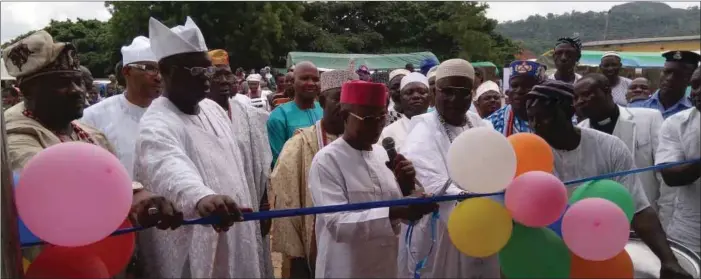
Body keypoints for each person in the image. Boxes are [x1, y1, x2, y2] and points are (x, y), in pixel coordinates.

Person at [2, 30, 182, 262]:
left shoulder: (87, 132)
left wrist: (141, 198)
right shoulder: (14, 134)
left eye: (77, 81)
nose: (77, 91)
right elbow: (54, 185)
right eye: (62, 83)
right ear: (26, 92)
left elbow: (116, 181)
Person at [134, 17, 261, 278]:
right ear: (165, 72)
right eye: (194, 70)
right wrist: (201, 197)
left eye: (208, 69)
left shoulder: (213, 109)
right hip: (195, 240)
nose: (205, 77)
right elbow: (167, 166)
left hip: (235, 231)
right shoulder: (157, 123)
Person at [525, 80, 693, 278]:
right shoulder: (528, 155)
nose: (535, 126)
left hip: (602, 250)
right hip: (549, 253)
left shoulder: (610, 147)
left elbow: (639, 210)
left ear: (569, 112)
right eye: (531, 119)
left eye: (544, 118)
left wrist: (668, 260)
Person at [309, 80, 437, 278]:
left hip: (385, 265)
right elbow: (337, 224)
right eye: (369, 119)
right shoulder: (327, 160)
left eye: (382, 118)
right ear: (344, 116)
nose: (378, 126)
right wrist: (394, 211)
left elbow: (405, 215)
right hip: (345, 267)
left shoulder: (384, 155)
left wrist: (409, 188)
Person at [400, 59, 499, 278]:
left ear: (472, 94)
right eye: (447, 92)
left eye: (463, 93)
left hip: (484, 224)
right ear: (435, 93)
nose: (455, 99)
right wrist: (477, 198)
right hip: (441, 234)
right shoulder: (423, 130)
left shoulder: (480, 124)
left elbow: (497, 167)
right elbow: (433, 183)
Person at [271, 69, 358, 279]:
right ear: (321, 101)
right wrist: (297, 255)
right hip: (315, 244)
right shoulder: (300, 144)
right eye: (338, 98)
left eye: (350, 100)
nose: (344, 106)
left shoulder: (365, 143)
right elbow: (287, 199)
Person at [206, 48, 274, 278]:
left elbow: (262, 161)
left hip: (249, 202)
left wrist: (264, 204)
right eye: (216, 75)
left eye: (227, 74)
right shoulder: (195, 115)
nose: (224, 81)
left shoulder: (248, 114)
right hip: (213, 209)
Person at [574, 73, 668, 224]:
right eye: (576, 98)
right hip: (601, 223)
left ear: (607, 91)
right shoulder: (579, 131)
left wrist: (664, 218)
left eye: (586, 95)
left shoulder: (649, 118)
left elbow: (663, 175)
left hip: (646, 217)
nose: (580, 101)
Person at [81, 36, 162, 180]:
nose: (159, 77)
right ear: (127, 72)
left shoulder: (171, 114)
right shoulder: (92, 117)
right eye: (150, 69)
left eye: (161, 70)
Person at [656, 67, 701, 255]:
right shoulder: (676, 123)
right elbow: (670, 176)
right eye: (694, 86)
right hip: (691, 230)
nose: (696, 92)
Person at [267, 61, 323, 165]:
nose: (311, 83)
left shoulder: (324, 110)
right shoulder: (279, 116)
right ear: (293, 82)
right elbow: (279, 163)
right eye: (305, 78)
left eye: (315, 79)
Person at [628, 50, 700, 119]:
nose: (669, 78)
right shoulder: (636, 106)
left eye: (678, 75)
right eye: (667, 72)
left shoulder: (695, 112)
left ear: (691, 80)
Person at [488, 60, 545, 136]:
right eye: (514, 86)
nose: (519, 91)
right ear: (507, 92)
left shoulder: (552, 121)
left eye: (528, 86)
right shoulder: (493, 123)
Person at [379, 72, 430, 151]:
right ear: (401, 98)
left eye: (422, 92)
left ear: (430, 96)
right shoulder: (387, 133)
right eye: (409, 93)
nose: (416, 96)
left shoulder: (441, 127)